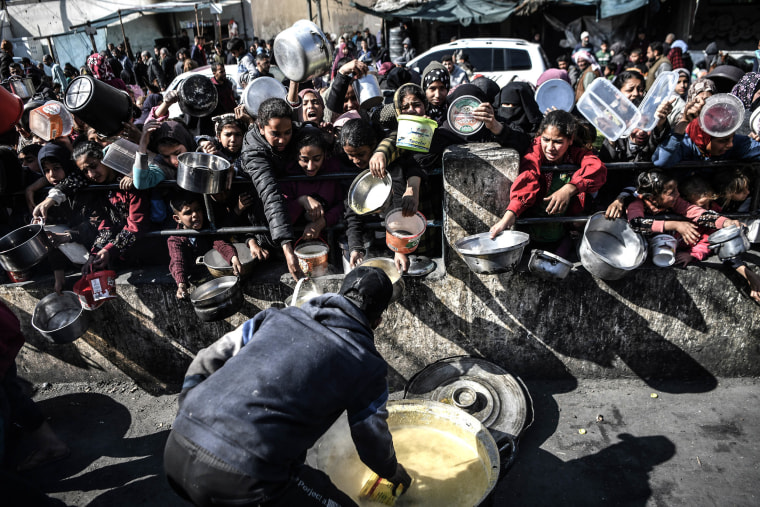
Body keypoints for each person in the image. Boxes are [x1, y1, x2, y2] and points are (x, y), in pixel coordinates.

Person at [163, 265, 412, 506]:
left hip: (175, 452)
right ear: (378, 321)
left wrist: (190, 413)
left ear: (339, 295)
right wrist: (392, 471)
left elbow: (206, 359)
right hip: (245, 476)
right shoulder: (367, 364)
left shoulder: (274, 317)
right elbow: (370, 439)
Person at [489, 110, 606, 256]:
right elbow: (528, 177)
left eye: (558, 142)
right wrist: (508, 217)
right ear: (540, 137)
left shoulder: (576, 154)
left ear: (570, 140)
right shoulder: (535, 151)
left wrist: (569, 189)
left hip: (561, 231)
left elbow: (597, 168)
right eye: (546, 140)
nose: (550, 147)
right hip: (531, 232)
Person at [239, 97, 305, 280]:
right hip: (264, 221)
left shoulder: (297, 133)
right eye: (275, 134)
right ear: (260, 127)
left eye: (287, 132)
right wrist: (287, 248)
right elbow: (271, 195)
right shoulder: (253, 152)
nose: (283, 140)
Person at [168, 193, 241, 299]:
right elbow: (177, 261)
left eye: (198, 210)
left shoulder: (208, 229)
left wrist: (233, 258)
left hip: (213, 274)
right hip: (196, 278)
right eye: (188, 213)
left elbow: (220, 244)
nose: (195, 215)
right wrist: (181, 284)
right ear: (177, 218)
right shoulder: (175, 239)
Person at [280, 128, 345, 241]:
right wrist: (301, 201)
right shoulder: (288, 174)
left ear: (324, 154)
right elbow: (282, 216)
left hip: (332, 238)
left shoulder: (334, 169)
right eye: (304, 160)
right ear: (296, 156)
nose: (310, 166)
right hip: (295, 239)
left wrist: (322, 222)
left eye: (316, 159)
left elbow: (343, 204)